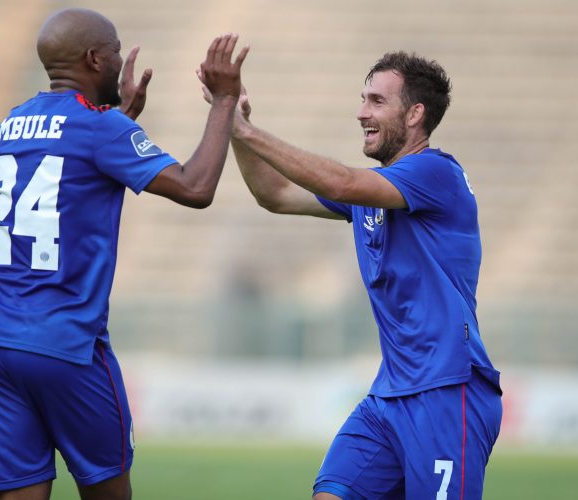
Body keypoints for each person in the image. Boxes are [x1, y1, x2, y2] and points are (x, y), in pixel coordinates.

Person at [0, 7, 247, 500]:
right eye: (115, 51)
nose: (120, 61)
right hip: (63, 345)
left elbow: (72, 165)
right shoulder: (100, 128)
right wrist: (224, 99)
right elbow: (195, 187)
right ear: (94, 59)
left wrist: (120, 119)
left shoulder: (12, 122)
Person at [201, 51, 502, 499]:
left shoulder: (436, 172)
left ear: (415, 114)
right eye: (363, 99)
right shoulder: (373, 192)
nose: (362, 112)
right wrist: (238, 127)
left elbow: (341, 182)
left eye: (377, 101)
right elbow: (275, 194)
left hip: (447, 392)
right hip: (389, 396)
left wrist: (241, 127)